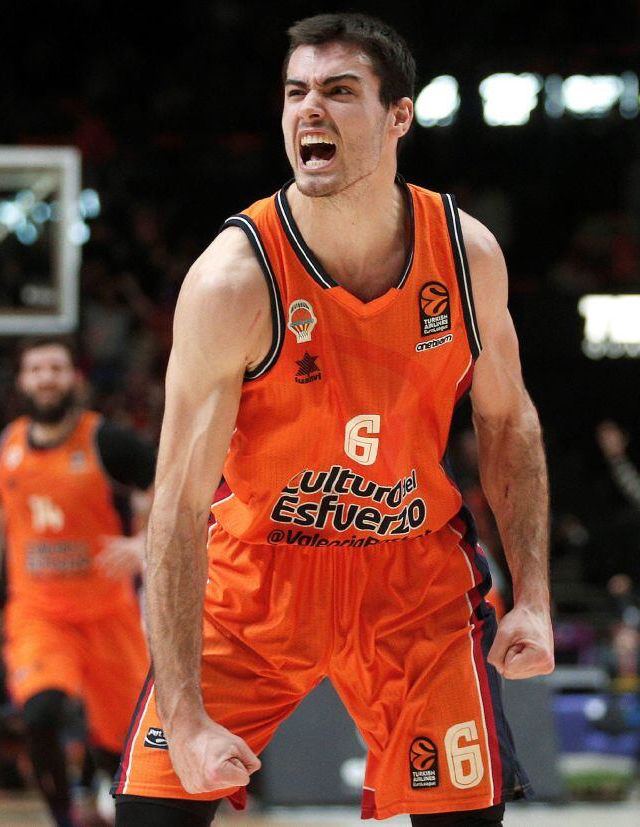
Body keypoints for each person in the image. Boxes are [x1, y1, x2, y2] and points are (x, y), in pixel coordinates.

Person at [113, 13, 554, 827]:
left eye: (339, 92)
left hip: (411, 578)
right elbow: (174, 505)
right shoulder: (233, 282)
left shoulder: (465, 255)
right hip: (255, 579)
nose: (308, 110)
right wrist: (183, 717)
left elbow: (508, 421)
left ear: (399, 117)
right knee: (152, 818)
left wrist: (533, 595)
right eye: (295, 92)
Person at [0, 335, 155, 827]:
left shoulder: (107, 441)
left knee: (121, 745)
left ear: (75, 378)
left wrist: (144, 544)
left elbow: (171, 491)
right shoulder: (3, 450)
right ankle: (64, 818)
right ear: (21, 381)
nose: (46, 377)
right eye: (36, 369)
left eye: (55, 367)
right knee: (41, 714)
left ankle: (99, 789)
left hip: (110, 613)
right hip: (38, 613)